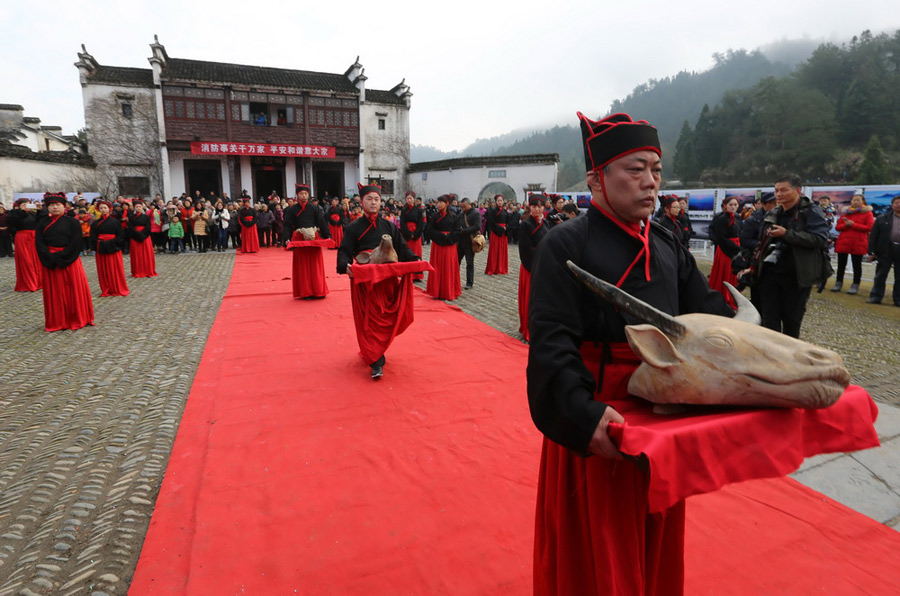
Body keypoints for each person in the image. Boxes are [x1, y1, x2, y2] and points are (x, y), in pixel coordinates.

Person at [527, 112, 733, 596]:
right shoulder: (564, 244)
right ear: (597, 180)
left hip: (665, 406)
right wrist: (583, 415)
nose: (650, 182)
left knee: (654, 534)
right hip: (604, 410)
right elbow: (551, 339)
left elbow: (703, 316)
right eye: (635, 169)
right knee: (600, 547)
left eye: (656, 170)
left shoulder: (665, 241)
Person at [337, 183, 421, 379]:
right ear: (361, 201)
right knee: (369, 321)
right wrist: (344, 266)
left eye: (376, 199)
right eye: (369, 199)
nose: (373, 203)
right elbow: (344, 251)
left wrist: (414, 259)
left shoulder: (389, 226)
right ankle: (376, 360)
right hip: (365, 281)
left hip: (387, 280)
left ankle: (377, 352)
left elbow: (402, 248)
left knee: (385, 319)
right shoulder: (353, 227)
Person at [749, 174, 829, 338]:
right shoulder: (774, 213)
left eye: (783, 190)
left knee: (792, 322)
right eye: (776, 190)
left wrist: (787, 234)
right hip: (770, 274)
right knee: (769, 321)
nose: (778, 194)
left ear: (798, 190)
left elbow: (820, 239)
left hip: (796, 276)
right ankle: (770, 358)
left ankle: (789, 359)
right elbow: (761, 242)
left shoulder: (811, 212)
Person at [34, 192, 95, 331]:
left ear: (64, 206)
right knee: (54, 292)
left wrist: (62, 257)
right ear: (47, 207)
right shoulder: (42, 223)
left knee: (73, 290)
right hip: (50, 261)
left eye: (57, 205)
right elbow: (39, 243)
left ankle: (76, 317)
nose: (55, 208)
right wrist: (49, 258)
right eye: (51, 205)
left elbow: (76, 243)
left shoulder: (72, 222)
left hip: (69, 260)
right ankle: (58, 319)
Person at [284, 183, 330, 300]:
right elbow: (287, 225)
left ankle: (319, 291)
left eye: (306, 194)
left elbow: (321, 222)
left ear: (308, 195)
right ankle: (306, 292)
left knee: (315, 265)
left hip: (313, 238)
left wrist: (327, 235)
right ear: (297, 195)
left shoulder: (315, 208)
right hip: (300, 239)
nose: (304, 196)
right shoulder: (292, 209)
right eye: (301, 194)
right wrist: (286, 238)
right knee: (303, 266)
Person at [517, 195, 549, 341]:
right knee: (531, 298)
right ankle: (529, 328)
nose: (537, 209)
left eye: (540, 206)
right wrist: (536, 263)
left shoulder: (547, 223)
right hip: (531, 266)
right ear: (529, 207)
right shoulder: (525, 224)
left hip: (544, 266)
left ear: (544, 207)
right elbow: (524, 249)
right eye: (534, 206)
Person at [831, 194, 874, 294]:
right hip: (844, 241)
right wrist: (846, 225)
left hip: (858, 242)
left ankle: (855, 285)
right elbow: (838, 227)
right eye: (854, 200)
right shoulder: (846, 213)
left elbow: (869, 227)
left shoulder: (868, 213)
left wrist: (854, 225)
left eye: (858, 200)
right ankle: (838, 282)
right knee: (841, 264)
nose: (855, 202)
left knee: (857, 265)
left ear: (863, 201)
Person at [424, 194, 461, 300]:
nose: (439, 204)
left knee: (449, 267)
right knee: (438, 267)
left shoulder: (454, 216)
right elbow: (429, 230)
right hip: (438, 245)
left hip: (449, 246)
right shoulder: (435, 216)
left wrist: (448, 238)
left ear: (447, 204)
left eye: (441, 202)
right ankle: (436, 291)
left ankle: (449, 291)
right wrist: (440, 237)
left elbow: (458, 231)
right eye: (438, 202)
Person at [89, 199, 129, 297]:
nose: (103, 210)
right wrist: (100, 243)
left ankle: (117, 287)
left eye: (105, 208)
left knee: (115, 269)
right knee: (103, 270)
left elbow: (120, 235)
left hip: (113, 247)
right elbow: (92, 236)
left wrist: (111, 243)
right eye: (101, 208)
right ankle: (106, 288)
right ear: (98, 209)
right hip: (101, 247)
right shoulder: (95, 223)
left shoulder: (115, 222)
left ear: (109, 209)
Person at [866, 194, 900, 306]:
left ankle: (898, 299)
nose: (899, 205)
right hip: (885, 250)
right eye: (897, 203)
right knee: (880, 275)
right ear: (892, 205)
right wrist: (871, 252)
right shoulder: (882, 218)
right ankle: (876, 296)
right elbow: (874, 236)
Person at [708, 196, 742, 307]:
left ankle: (733, 297)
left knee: (733, 273)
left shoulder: (737, 218)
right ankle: (723, 296)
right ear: (725, 206)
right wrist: (735, 248)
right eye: (731, 205)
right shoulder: (721, 219)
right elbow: (721, 238)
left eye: (735, 205)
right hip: (725, 250)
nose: (733, 207)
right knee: (725, 272)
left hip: (736, 248)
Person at [8, 198, 43, 291]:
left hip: (34, 238)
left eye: (28, 204)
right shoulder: (14, 214)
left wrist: (40, 211)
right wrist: (21, 211)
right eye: (24, 204)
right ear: (19, 205)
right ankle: (29, 283)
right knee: (26, 261)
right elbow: (12, 223)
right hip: (22, 239)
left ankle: (38, 282)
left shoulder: (33, 214)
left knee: (36, 260)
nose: (27, 206)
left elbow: (41, 222)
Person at [127, 200, 158, 277]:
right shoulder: (131, 217)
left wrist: (142, 235)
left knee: (146, 255)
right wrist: (137, 234)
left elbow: (148, 227)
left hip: (145, 237)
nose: (138, 208)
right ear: (134, 208)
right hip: (135, 237)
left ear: (142, 207)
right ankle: (137, 271)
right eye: (136, 207)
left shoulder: (146, 217)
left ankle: (148, 271)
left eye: (140, 207)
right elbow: (130, 227)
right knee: (137, 256)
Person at [399, 191, 426, 280]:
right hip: (406, 234)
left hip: (416, 234)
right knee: (407, 252)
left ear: (414, 199)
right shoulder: (403, 210)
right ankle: (407, 273)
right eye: (407, 198)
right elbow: (402, 223)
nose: (409, 200)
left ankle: (417, 275)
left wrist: (415, 234)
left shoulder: (418, 210)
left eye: (411, 198)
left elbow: (420, 223)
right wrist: (408, 234)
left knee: (416, 252)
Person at [456, 198, 482, 290]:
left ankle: (469, 282)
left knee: (469, 263)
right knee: (456, 262)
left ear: (469, 205)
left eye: (464, 206)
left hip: (470, 241)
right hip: (460, 242)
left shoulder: (475, 213)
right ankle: (455, 280)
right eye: (461, 206)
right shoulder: (461, 214)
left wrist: (464, 231)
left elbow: (477, 226)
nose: (462, 208)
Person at [484, 194, 509, 275]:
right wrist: (501, 229)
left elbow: (508, 222)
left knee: (502, 250)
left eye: (501, 200)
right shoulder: (492, 211)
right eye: (498, 200)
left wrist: (506, 227)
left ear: (503, 201)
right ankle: (493, 268)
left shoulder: (505, 211)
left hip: (504, 233)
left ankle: (501, 267)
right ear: (495, 201)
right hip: (496, 232)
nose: (500, 202)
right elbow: (491, 223)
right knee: (495, 250)